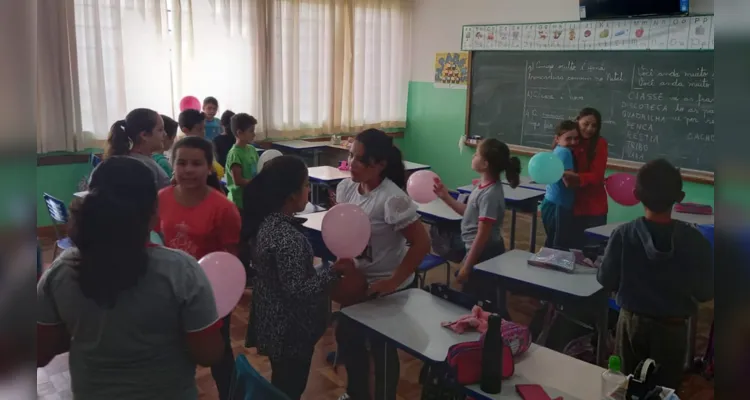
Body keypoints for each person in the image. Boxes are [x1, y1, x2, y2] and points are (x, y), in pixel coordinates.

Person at [37, 156, 225, 399]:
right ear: (152, 213)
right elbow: (208, 354)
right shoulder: (181, 270)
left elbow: (40, 353)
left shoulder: (61, 270)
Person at [242, 155, 352, 399]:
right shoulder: (286, 237)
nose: (308, 191)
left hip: (273, 318)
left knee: (282, 379)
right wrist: (332, 272)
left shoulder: (268, 223)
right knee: (290, 386)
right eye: (305, 186)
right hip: (289, 329)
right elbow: (298, 290)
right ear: (291, 194)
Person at [598, 158, 714, 390]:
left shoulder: (623, 234)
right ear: (679, 198)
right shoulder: (695, 240)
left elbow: (605, 279)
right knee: (664, 389)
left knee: (625, 385)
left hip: (631, 322)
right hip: (673, 328)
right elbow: (705, 292)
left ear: (636, 194)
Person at [334, 128, 431, 400]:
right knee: (348, 339)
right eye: (350, 155)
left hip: (386, 288)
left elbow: (422, 244)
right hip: (357, 283)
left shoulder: (392, 199)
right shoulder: (347, 189)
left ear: (380, 164)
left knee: (381, 352)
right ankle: (356, 394)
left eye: (360, 159)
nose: (351, 163)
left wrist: (392, 282)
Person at [155, 136, 241, 400]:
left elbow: (230, 262)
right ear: (173, 166)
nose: (188, 169)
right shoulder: (160, 199)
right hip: (170, 291)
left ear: (209, 167)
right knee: (173, 353)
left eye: (196, 163)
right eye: (181, 163)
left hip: (210, 295)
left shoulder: (224, 209)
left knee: (219, 354)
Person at [433, 138, 520, 315]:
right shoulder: (482, 187)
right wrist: (445, 196)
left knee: (481, 303)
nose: (473, 156)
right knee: (481, 300)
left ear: (485, 164)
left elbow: (483, 235)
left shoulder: (490, 194)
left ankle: (499, 333)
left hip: (484, 251)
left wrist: (467, 266)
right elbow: (469, 213)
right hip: (477, 249)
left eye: (477, 154)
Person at [562, 107, 609, 247]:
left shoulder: (600, 144)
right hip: (572, 204)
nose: (589, 129)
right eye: (586, 124)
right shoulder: (571, 140)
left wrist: (575, 177)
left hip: (594, 207)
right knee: (572, 249)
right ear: (578, 121)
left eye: (594, 126)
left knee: (592, 251)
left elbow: (597, 176)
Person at [104, 108, 171, 189]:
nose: (165, 134)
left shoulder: (127, 158)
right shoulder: (145, 166)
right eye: (160, 130)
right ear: (144, 135)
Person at [540, 120, 579, 250]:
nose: (573, 142)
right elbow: (568, 182)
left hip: (551, 203)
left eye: (576, 138)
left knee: (552, 243)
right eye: (568, 138)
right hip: (559, 206)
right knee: (557, 247)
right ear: (557, 138)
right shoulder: (565, 152)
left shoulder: (557, 150)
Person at [178, 109, 226, 180]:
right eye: (199, 129)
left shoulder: (205, 147)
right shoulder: (179, 151)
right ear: (185, 130)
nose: (203, 132)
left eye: (204, 128)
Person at [225, 113, 259, 212]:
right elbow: (238, 181)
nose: (254, 134)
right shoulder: (234, 154)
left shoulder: (252, 149)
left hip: (251, 199)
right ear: (240, 133)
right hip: (239, 202)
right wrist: (257, 182)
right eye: (251, 131)